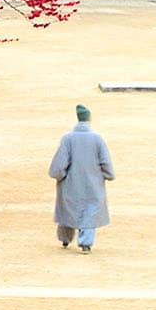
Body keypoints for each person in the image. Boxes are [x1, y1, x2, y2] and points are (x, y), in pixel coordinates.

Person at [49, 104, 114, 253]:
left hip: (71, 183)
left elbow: (59, 164)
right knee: (89, 212)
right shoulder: (97, 139)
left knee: (68, 211)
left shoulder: (67, 139)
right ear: (89, 119)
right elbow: (105, 162)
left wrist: (60, 176)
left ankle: (65, 239)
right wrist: (108, 175)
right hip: (93, 184)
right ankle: (86, 243)